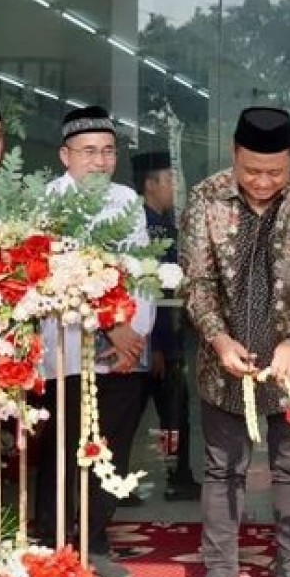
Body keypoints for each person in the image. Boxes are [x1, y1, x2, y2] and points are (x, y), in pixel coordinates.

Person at [181, 107, 290, 577]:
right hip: (223, 361)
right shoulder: (206, 197)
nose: (263, 181)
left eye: (275, 171)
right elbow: (197, 282)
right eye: (251, 170)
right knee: (222, 468)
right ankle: (220, 573)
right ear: (234, 155)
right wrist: (218, 338)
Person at [33, 106, 154, 577]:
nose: (99, 161)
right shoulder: (49, 202)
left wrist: (133, 336)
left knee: (114, 450)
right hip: (68, 349)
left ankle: (96, 542)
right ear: (66, 156)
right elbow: (59, 278)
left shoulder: (128, 199)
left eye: (107, 151)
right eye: (88, 152)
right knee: (63, 451)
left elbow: (142, 272)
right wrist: (111, 329)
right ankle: (55, 545)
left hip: (125, 354)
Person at [129, 150, 198, 502]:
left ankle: (180, 475)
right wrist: (156, 346)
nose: (175, 188)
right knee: (155, 413)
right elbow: (149, 292)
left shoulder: (165, 224)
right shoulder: (145, 229)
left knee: (174, 411)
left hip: (168, 338)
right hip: (156, 342)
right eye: (170, 181)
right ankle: (169, 477)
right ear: (150, 184)